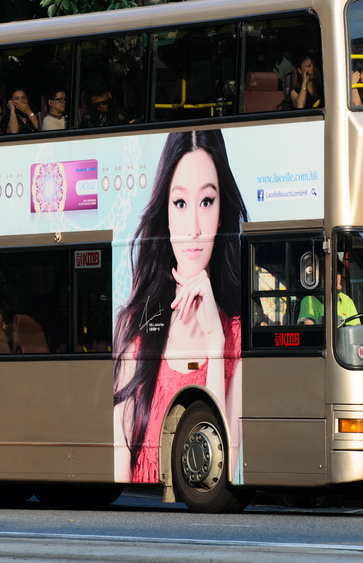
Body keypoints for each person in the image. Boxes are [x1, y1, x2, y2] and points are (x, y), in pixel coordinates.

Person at [113, 129, 248, 483]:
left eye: (207, 201)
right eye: (180, 204)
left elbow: (219, 473)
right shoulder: (135, 326)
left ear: (221, 214)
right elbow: (119, 468)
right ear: (166, 215)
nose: (193, 229)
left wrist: (215, 340)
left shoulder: (235, 338)